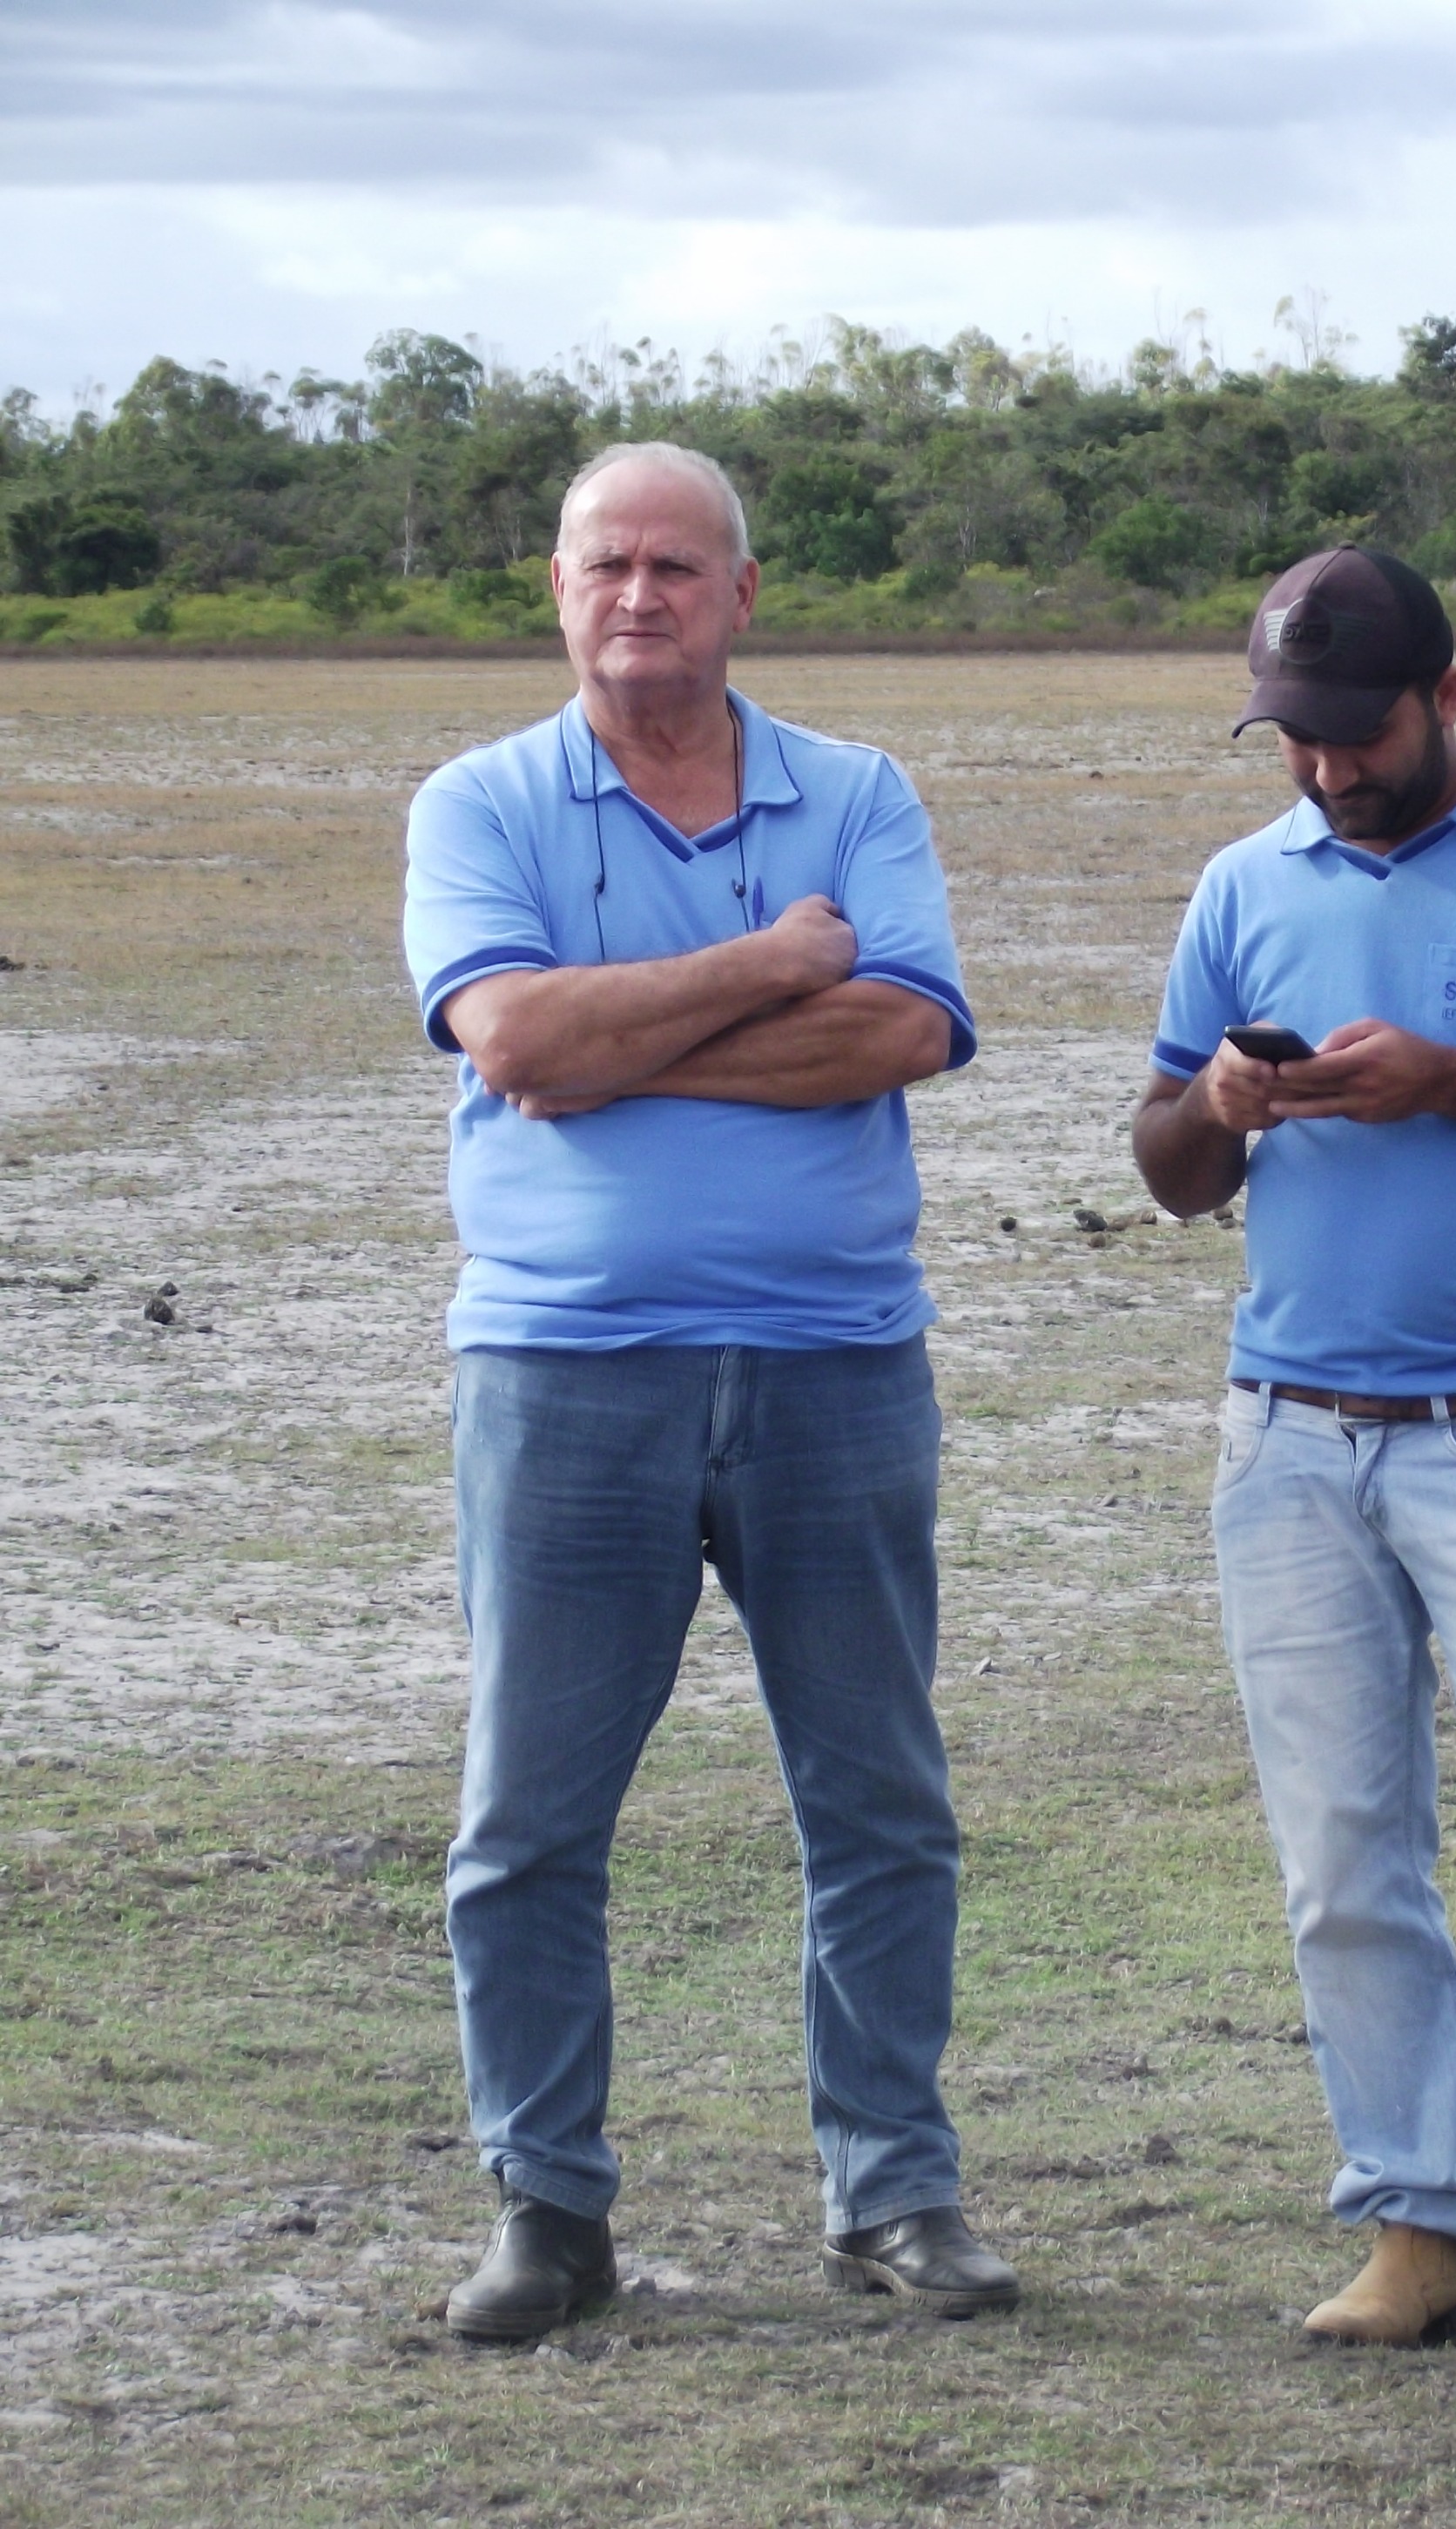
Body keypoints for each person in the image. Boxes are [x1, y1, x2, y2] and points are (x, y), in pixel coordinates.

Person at [401, 442, 1012, 2340]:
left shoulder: (861, 790)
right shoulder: (478, 800)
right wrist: (762, 965)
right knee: (529, 1818)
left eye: (678, 564)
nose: (640, 594)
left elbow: (902, 1029)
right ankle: (547, 2205)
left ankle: (893, 2188)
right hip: (566, 1375)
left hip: (838, 1365)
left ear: (746, 593)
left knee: (880, 1800)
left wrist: (616, 1036)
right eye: (607, 564)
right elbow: (512, 1040)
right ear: (557, 590)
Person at [1132, 547, 1456, 2348]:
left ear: (1449, 698)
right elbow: (1167, 1169)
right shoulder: (1243, 883)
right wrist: (1223, 1104)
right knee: (1343, 1861)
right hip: (1289, 1442)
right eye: (1297, 740)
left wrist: (1455, 1082)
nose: (1329, 771)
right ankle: (1419, 2221)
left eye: (1361, 735)